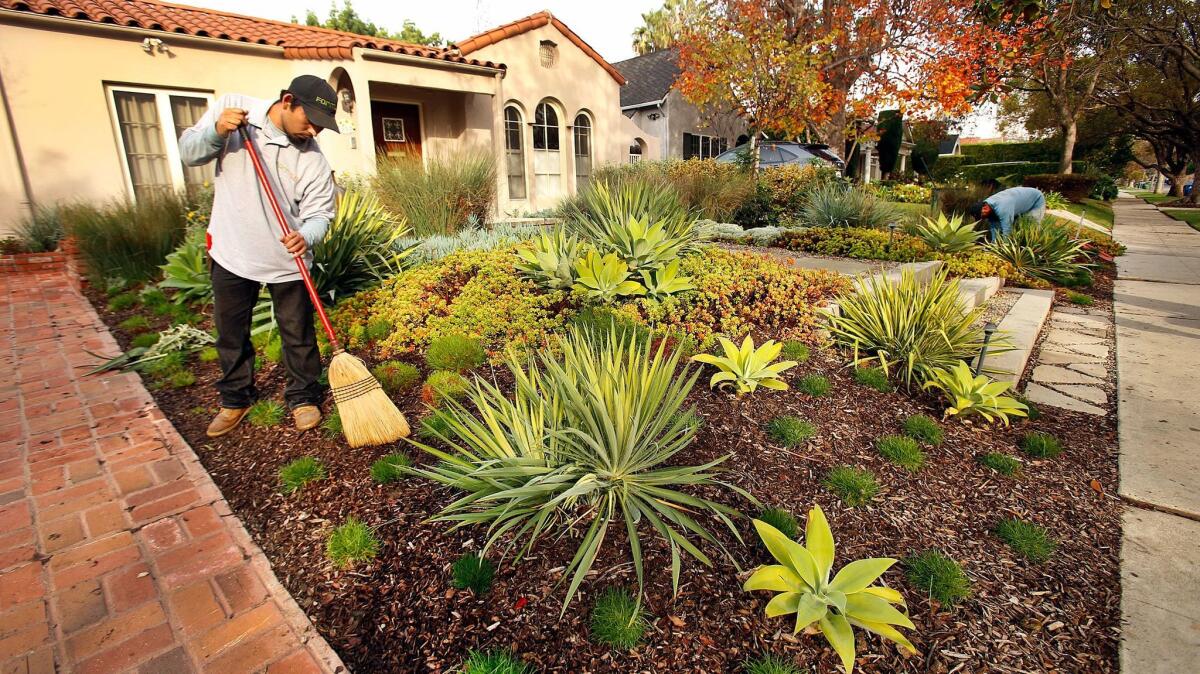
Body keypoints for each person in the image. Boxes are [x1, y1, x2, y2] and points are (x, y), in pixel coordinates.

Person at [178, 75, 340, 438]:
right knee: (231, 332)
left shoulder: (312, 158)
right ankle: (236, 399)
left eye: (321, 125)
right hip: (232, 250)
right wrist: (216, 133)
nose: (314, 130)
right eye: (309, 119)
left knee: (298, 334)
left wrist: (306, 236)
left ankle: (303, 397)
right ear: (287, 101)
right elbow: (190, 154)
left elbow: (320, 214)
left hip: (287, 260)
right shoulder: (235, 113)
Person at [968, 186, 1046, 240]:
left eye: (981, 215)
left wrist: (1005, 250)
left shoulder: (1002, 207)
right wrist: (994, 246)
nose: (982, 218)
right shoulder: (988, 207)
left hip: (1035, 199)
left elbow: (1007, 229)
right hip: (1018, 202)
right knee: (1017, 227)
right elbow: (994, 228)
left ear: (985, 208)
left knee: (1031, 228)